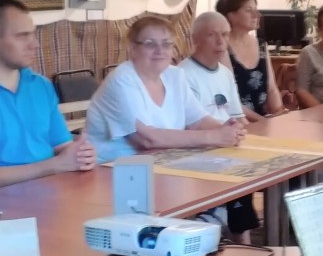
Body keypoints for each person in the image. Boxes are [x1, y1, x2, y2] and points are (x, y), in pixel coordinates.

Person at [0, 0, 97, 196]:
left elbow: (62, 145)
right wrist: (55, 165)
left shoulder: (40, 86)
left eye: (33, 34)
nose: (35, 44)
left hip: (51, 196)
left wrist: (81, 154)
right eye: (23, 36)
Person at [86, 15, 246, 163]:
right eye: (150, 44)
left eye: (166, 44)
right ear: (133, 48)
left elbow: (198, 121)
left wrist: (227, 129)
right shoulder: (122, 79)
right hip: (110, 170)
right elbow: (146, 139)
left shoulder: (175, 75)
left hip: (161, 163)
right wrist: (213, 137)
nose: (160, 51)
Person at [180, 11, 258, 239]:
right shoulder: (183, 74)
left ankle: (241, 237)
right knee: (237, 170)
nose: (220, 42)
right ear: (195, 39)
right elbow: (192, 124)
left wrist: (245, 133)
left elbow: (237, 116)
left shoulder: (225, 74)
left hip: (228, 142)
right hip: (199, 147)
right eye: (212, 35)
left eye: (225, 35)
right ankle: (217, 222)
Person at [216, 0, 284, 121]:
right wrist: (262, 122)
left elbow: (271, 88)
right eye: (249, 10)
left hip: (262, 120)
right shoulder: (222, 47)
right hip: (235, 121)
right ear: (231, 16)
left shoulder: (261, 44)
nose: (257, 14)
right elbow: (229, 99)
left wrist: (278, 114)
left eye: (256, 9)